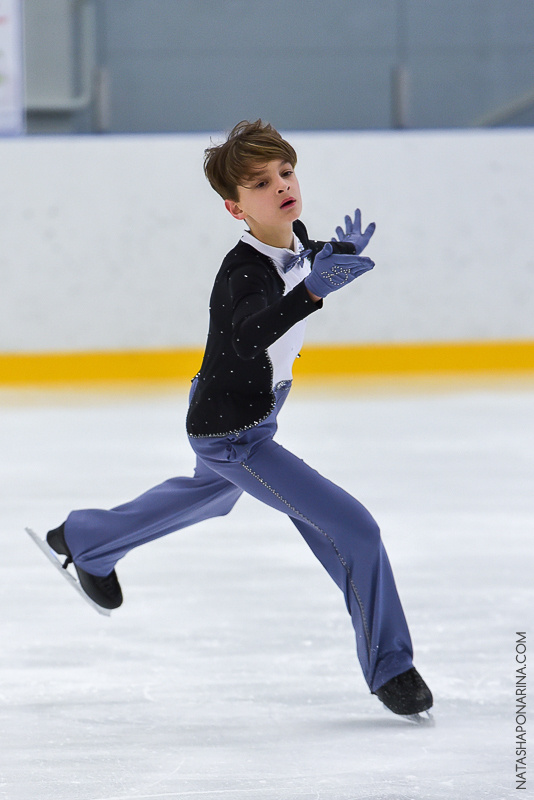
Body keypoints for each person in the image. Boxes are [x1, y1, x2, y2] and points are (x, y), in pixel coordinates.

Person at [46, 120, 432, 719]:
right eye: (260, 182)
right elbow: (252, 334)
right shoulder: (243, 271)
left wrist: (332, 255)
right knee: (354, 531)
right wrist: (313, 293)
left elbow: (302, 262)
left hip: (244, 414)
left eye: (285, 172)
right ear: (235, 208)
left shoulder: (294, 239)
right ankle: (393, 669)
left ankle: (86, 540)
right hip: (235, 434)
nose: (281, 186)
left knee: (212, 498)